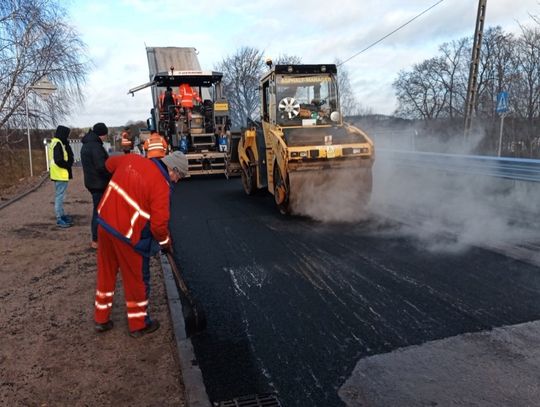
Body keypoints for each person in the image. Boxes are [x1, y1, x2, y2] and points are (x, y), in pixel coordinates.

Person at [93, 151, 188, 338]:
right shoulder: (161, 186)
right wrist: (166, 243)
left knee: (106, 272)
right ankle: (138, 324)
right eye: (179, 176)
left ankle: (101, 319)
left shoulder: (132, 159)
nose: (176, 181)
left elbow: (109, 165)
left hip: (104, 224)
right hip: (128, 235)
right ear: (172, 169)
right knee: (136, 279)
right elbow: (159, 226)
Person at [80, 122, 111, 249]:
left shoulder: (86, 145)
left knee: (99, 209)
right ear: (101, 134)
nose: (105, 138)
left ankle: (99, 238)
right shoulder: (96, 146)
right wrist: (111, 175)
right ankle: (96, 240)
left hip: (91, 182)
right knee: (99, 211)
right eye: (105, 135)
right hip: (99, 183)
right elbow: (101, 166)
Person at [49, 125, 74, 228]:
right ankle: (59, 218)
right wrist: (67, 165)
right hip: (60, 174)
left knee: (60, 195)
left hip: (57, 174)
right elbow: (59, 160)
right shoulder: (58, 144)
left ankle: (62, 215)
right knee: (59, 197)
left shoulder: (55, 142)